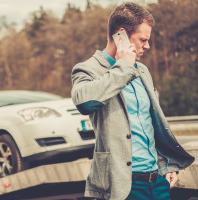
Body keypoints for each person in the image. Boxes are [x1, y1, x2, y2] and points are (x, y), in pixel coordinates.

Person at [71, 2, 194, 200]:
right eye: (143, 39)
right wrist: (123, 67)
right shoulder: (87, 69)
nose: (147, 46)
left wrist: (166, 164)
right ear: (121, 35)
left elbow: (149, 125)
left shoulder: (143, 70)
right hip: (123, 187)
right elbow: (84, 103)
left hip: (158, 183)